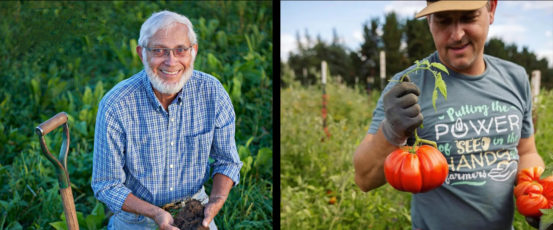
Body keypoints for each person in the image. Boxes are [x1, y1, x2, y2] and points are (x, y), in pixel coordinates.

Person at [353, 0, 545, 229]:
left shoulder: (515, 78)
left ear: (491, 10)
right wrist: (391, 131)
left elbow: (526, 152)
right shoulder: (407, 85)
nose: (456, 35)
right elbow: (364, 179)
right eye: (444, 21)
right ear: (429, 21)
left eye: (468, 17)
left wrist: (536, 196)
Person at [92, 10, 242, 230]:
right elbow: (107, 185)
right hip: (137, 219)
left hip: (195, 212)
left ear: (194, 52)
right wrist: (156, 214)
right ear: (142, 53)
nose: (171, 62)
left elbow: (227, 162)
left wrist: (215, 202)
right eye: (159, 50)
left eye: (180, 50)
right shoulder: (116, 105)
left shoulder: (212, 92)